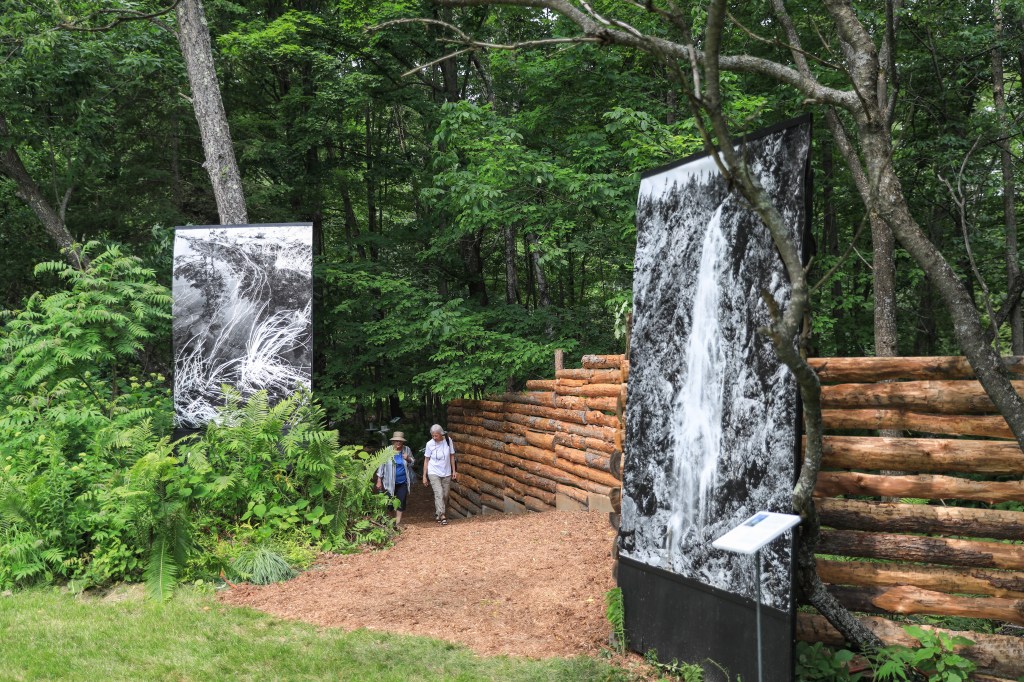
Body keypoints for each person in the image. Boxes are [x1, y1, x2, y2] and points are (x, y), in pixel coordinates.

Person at [375, 432, 414, 525]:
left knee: (401, 501)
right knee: (390, 503)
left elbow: (412, 462)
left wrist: (408, 458)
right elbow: (381, 465)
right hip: (389, 482)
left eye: (400, 441)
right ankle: (391, 521)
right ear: (393, 441)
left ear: (403, 442)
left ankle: (397, 523)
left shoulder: (407, 449)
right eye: (396, 441)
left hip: (403, 481)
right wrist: (379, 480)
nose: (398, 443)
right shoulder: (387, 451)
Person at [422, 424, 457, 525]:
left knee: (445, 495)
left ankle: (438, 513)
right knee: (439, 493)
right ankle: (442, 515)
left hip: (446, 472)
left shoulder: (448, 441)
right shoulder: (429, 444)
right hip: (433, 472)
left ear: (441, 434)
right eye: (432, 435)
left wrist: (454, 471)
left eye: (436, 435)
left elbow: (452, 456)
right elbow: (426, 460)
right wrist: (424, 476)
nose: (434, 437)